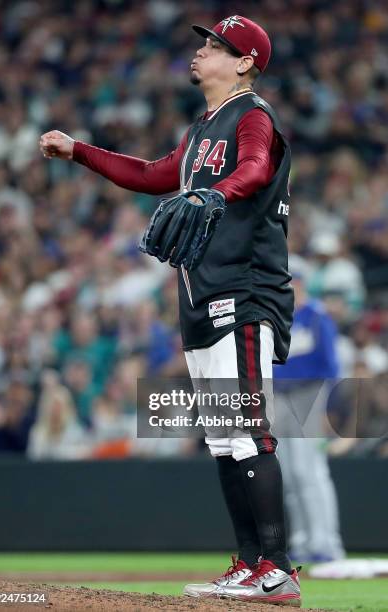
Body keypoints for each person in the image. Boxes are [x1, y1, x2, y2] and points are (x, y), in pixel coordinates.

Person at [40, 15, 300, 605]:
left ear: (245, 62)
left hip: (244, 292)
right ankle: (249, 564)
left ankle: (278, 570)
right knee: (222, 436)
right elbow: (155, 174)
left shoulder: (252, 115)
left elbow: (256, 168)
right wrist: (79, 150)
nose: (202, 51)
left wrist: (217, 190)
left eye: (216, 46)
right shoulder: (204, 125)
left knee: (248, 434)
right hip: (201, 295)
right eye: (205, 43)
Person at [274, 255, 345, 562]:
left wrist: (330, 409)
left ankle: (326, 540)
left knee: (310, 470)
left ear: (299, 283)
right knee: (288, 474)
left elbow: (331, 366)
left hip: (310, 394)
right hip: (280, 398)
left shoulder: (316, 315)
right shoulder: (277, 318)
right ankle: (303, 539)